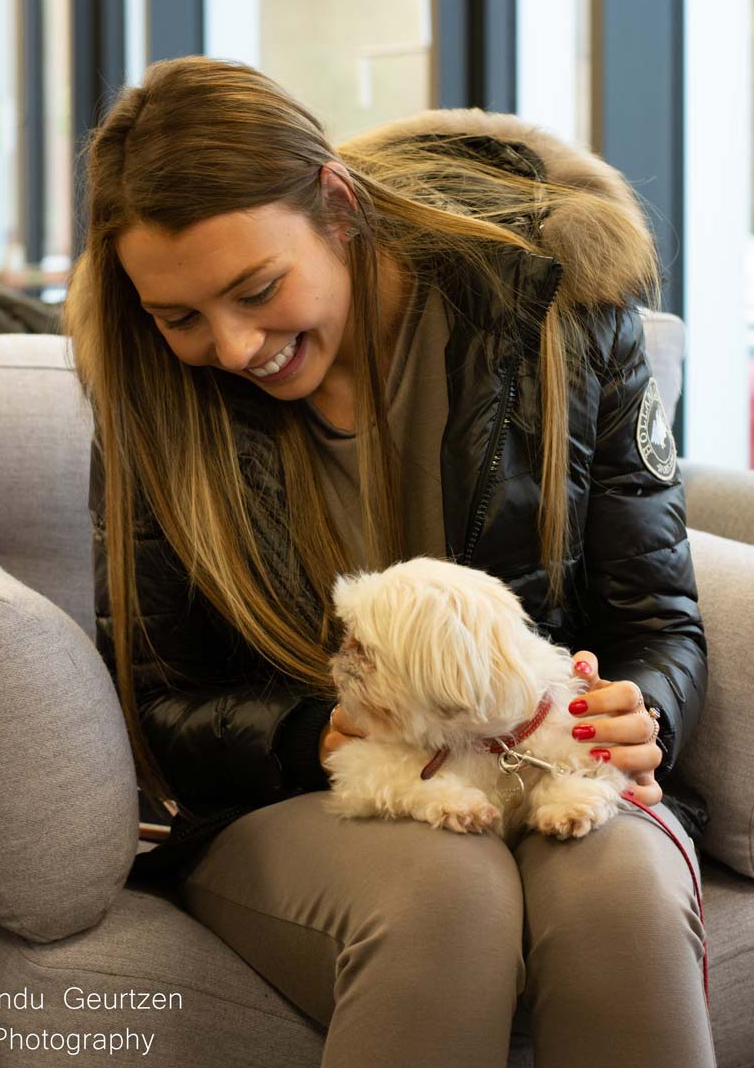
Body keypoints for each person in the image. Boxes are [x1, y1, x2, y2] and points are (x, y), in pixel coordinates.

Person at [65, 55, 715, 1068]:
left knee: (614, 893)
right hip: (303, 803)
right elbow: (158, 699)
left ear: (335, 202)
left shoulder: (561, 312)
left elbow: (654, 619)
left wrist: (643, 714)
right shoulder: (151, 402)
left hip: (540, 753)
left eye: (256, 289)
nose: (232, 348)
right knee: (441, 894)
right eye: (179, 317)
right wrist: (313, 735)